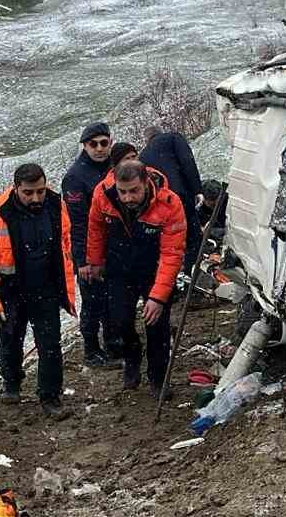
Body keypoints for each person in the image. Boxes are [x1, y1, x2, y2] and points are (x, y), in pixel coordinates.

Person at [0, 163, 76, 420]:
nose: (35, 198)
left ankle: (50, 396)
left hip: (46, 287)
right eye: (29, 193)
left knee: (50, 345)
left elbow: (65, 240)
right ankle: (12, 383)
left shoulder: (55, 204)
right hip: (10, 290)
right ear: (16, 187)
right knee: (10, 342)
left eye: (40, 191)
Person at [86, 160, 186, 399]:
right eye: (123, 192)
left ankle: (158, 377)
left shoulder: (169, 203)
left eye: (134, 191)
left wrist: (158, 297)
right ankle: (132, 356)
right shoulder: (103, 194)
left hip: (154, 269)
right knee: (118, 322)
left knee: (156, 325)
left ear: (146, 183)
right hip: (119, 268)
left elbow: (172, 254)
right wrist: (95, 260)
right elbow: (95, 227)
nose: (128, 197)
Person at [61, 121, 120, 368]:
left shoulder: (114, 168)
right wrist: (83, 260)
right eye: (93, 144)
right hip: (88, 249)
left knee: (113, 300)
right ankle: (91, 350)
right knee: (93, 303)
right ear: (84, 146)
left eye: (103, 143)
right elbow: (77, 223)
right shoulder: (75, 177)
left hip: (114, 247)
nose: (99, 148)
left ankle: (113, 345)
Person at [139, 125, 202, 268]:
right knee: (194, 237)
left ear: (147, 140)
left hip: (163, 205)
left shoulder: (142, 156)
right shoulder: (173, 138)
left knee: (175, 240)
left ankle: (178, 274)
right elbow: (187, 161)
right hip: (180, 195)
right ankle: (192, 272)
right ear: (160, 133)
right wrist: (197, 189)